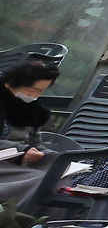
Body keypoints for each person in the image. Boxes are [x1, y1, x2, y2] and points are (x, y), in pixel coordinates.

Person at [0, 56, 62, 209]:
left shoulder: (34, 111)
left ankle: (46, 225)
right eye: (33, 90)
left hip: (22, 162)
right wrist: (21, 152)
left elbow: (36, 144)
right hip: (4, 163)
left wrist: (58, 159)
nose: (36, 95)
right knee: (39, 180)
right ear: (9, 85)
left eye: (41, 91)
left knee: (60, 177)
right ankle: (17, 222)